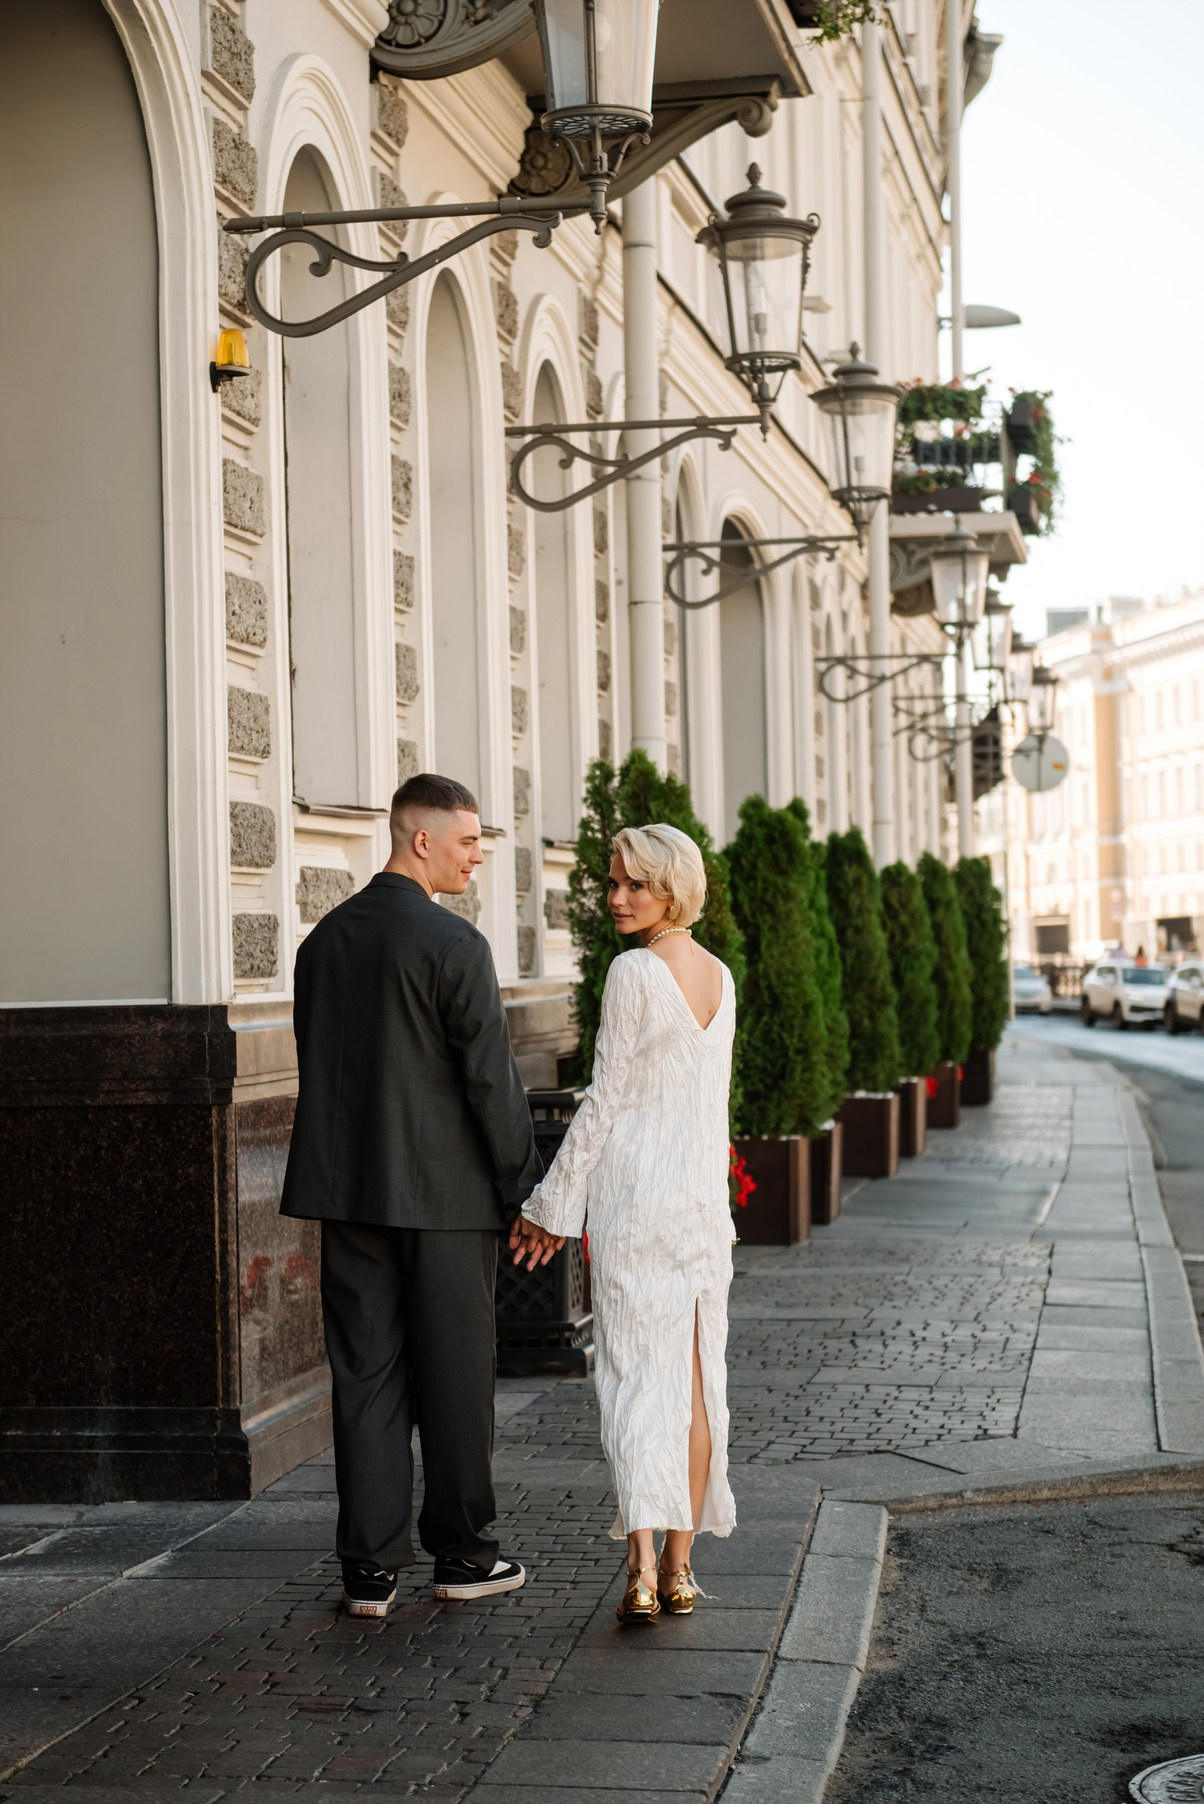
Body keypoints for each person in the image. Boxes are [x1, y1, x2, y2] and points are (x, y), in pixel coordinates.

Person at [280, 773, 557, 1619]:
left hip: (350, 1195)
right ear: (420, 839)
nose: (479, 854)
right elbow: (491, 1083)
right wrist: (528, 1191)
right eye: (470, 841)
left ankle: (368, 1571)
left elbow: (324, 1067)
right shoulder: (454, 945)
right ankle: (464, 1557)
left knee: (364, 1375)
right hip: (444, 1201)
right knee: (456, 1379)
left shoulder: (321, 942)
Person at [517, 823, 737, 1623]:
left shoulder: (633, 972)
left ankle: (642, 1569)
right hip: (702, 1214)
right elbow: (710, 1111)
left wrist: (549, 1207)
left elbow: (603, 1103)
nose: (615, 897)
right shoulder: (720, 976)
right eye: (612, 883)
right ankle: (682, 1569)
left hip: (637, 1207)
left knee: (636, 1385)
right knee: (696, 1386)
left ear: (670, 889)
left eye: (631, 885)